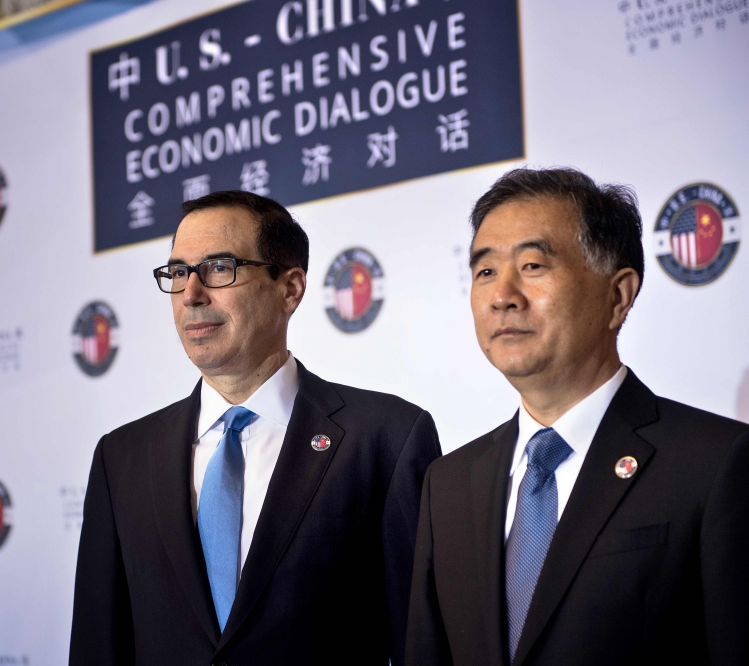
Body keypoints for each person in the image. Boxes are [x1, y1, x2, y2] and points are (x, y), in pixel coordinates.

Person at [69, 191, 441, 666]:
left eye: (219, 268)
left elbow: (421, 646)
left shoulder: (387, 438)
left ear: (290, 289)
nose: (191, 294)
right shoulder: (121, 458)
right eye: (179, 272)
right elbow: (98, 647)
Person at [405, 168, 749, 666]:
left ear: (618, 295)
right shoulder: (449, 483)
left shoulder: (715, 465)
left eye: (532, 265)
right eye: (484, 272)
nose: (502, 295)